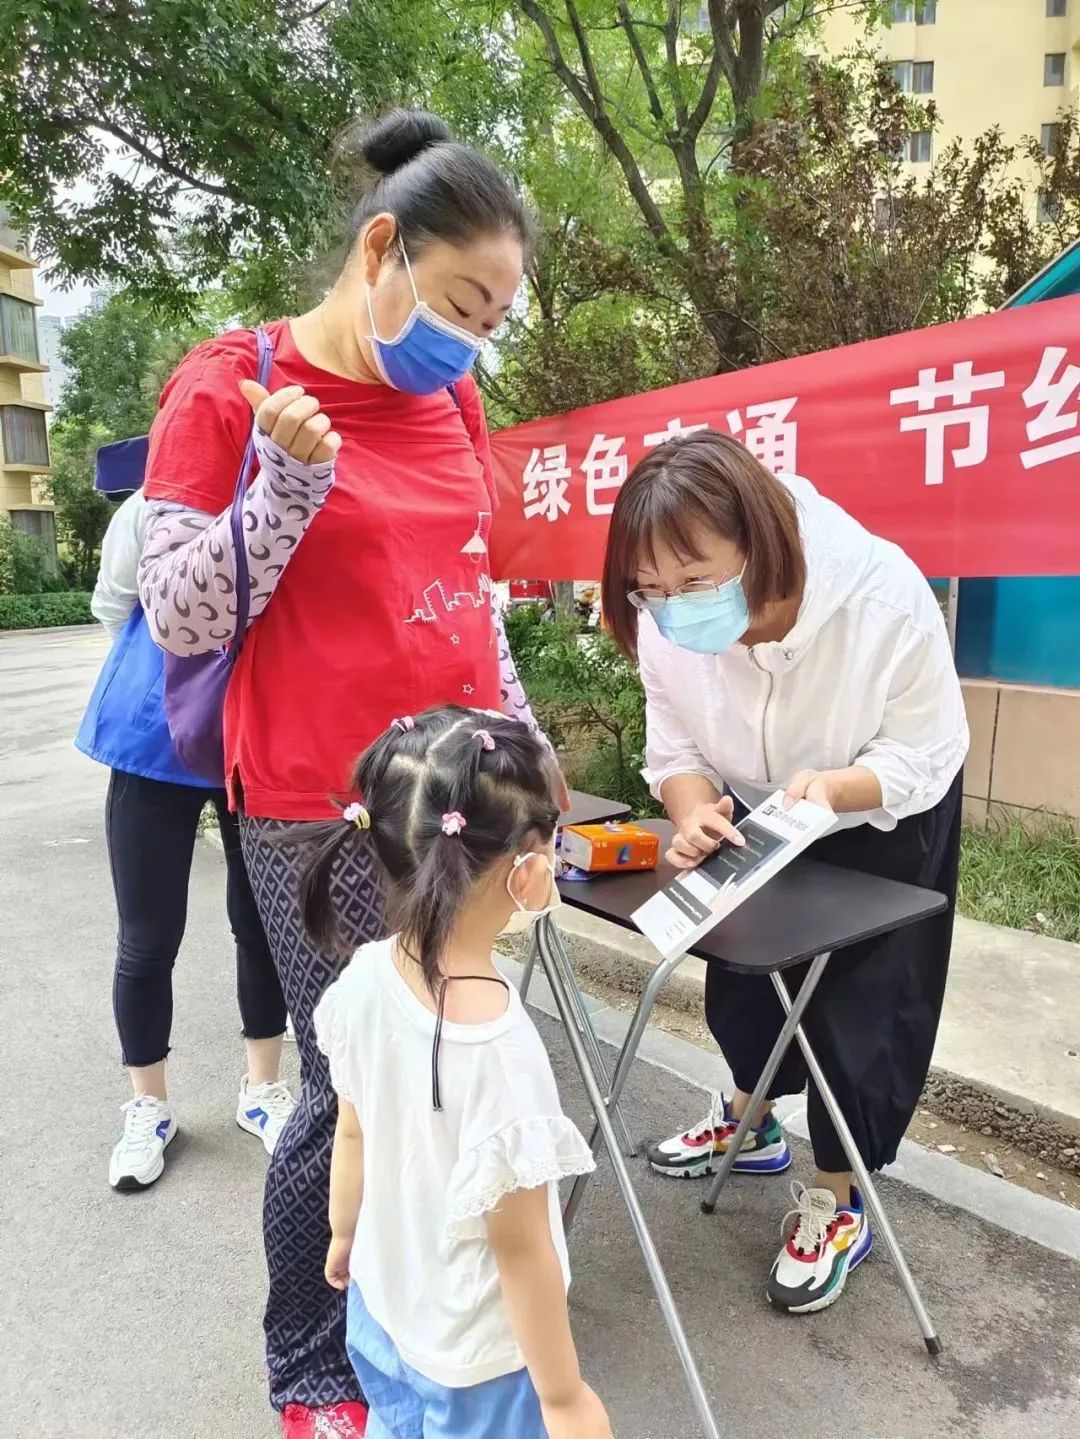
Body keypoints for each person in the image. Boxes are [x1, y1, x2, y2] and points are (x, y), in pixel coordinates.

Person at [136, 109, 565, 1436]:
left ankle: (426, 1305)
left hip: (463, 798)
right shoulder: (232, 383)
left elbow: (471, 588)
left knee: (447, 1064)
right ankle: (314, 1362)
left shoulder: (451, 393)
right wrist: (280, 486)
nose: (471, 338)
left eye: (494, 317)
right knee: (353, 1085)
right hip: (315, 803)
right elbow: (179, 614)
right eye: (461, 303)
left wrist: (528, 747)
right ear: (382, 251)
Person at [601, 431, 968, 1317]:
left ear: (757, 544)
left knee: (862, 1000)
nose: (672, 607)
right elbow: (676, 747)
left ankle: (839, 1195)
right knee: (742, 970)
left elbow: (926, 749)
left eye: (694, 580)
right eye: (650, 589)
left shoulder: (879, 597)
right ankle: (751, 1118)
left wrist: (836, 789)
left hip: (881, 805)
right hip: (760, 810)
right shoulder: (665, 625)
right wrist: (694, 806)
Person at [304, 706, 609, 1439]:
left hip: (381, 1306)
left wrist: (344, 1233)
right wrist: (563, 1395)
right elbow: (522, 1248)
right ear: (526, 870)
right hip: (476, 1362)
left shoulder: (365, 975)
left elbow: (353, 1130)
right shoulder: (500, 1049)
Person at [76, 491, 294, 1192]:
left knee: (261, 924)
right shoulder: (150, 506)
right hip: (152, 735)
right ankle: (150, 1106)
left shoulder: (288, 490)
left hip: (259, 730)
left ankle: (262, 1088)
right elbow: (115, 605)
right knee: (146, 936)